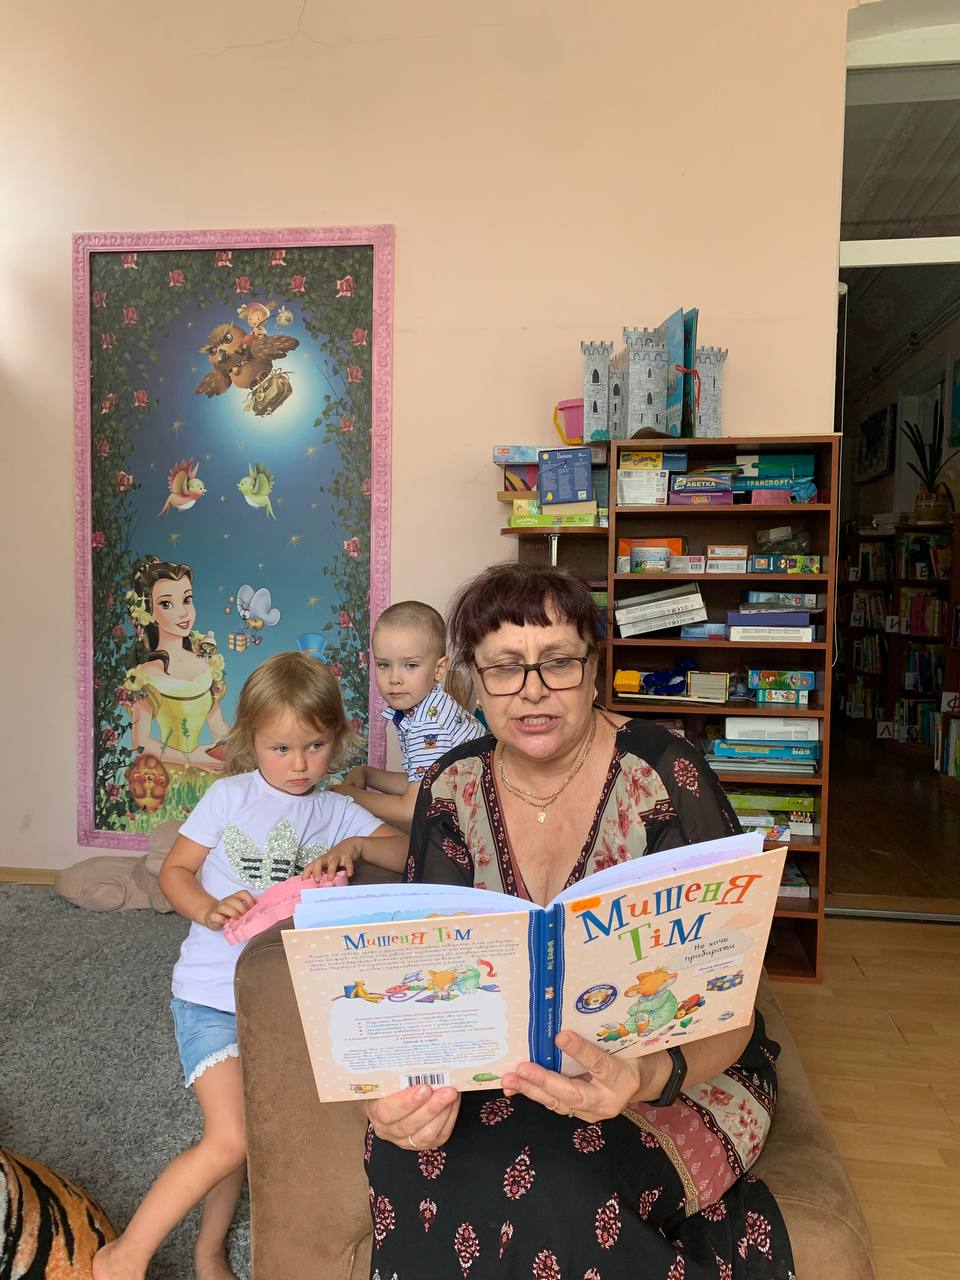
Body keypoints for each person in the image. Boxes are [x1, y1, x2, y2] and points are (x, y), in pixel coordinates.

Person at [359, 564, 796, 1280]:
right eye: (505, 667)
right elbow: (426, 985)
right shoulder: (451, 786)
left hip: (672, 1073)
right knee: (413, 1161)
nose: (532, 690)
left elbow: (732, 996)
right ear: (472, 683)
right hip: (497, 1073)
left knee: (557, 1189)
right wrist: (404, 1095)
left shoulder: (665, 774)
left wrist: (644, 1074)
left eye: (558, 662)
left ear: (594, 671)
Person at [93, 652, 408, 1280]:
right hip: (210, 998)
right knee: (230, 1137)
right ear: (250, 741)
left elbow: (406, 852)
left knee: (246, 1135)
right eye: (280, 748)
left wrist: (358, 844)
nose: (299, 764)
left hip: (286, 1006)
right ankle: (121, 1258)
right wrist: (207, 909)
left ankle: (208, 1252)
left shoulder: (337, 811)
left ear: (338, 738)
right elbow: (175, 871)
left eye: (315, 746)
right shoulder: (227, 796)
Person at [333, 601, 485, 831]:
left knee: (375, 841)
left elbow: (412, 809)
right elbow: (424, 783)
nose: (394, 678)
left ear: (438, 670)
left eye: (411, 665)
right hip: (463, 807)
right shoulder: (426, 707)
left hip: (476, 825)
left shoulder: (429, 724)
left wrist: (347, 796)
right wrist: (367, 774)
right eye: (384, 665)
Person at [123, 557, 230, 785]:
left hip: (210, 772)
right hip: (169, 779)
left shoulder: (206, 663)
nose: (183, 613)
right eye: (167, 604)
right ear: (149, 613)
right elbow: (139, 743)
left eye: (187, 600)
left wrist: (236, 748)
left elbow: (218, 727)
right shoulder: (145, 674)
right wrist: (192, 759)